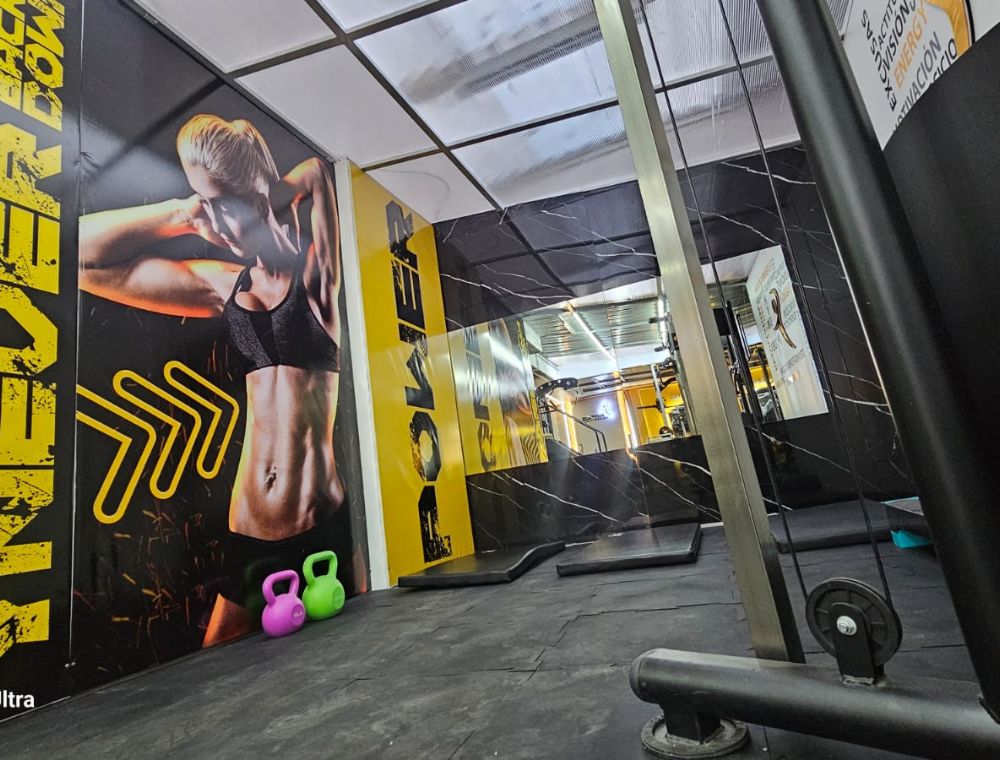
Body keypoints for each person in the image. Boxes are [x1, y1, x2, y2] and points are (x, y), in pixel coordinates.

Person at [79, 114, 360, 646]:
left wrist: (268, 193)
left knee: (352, 659)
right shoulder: (223, 287)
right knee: (218, 673)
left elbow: (317, 173)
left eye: (219, 203)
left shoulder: (317, 281)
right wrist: (183, 214)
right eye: (203, 203)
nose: (213, 221)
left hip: (324, 523)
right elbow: (82, 259)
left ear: (255, 196)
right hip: (251, 534)